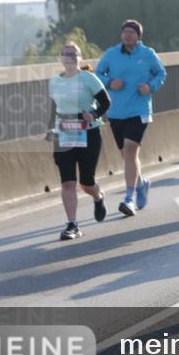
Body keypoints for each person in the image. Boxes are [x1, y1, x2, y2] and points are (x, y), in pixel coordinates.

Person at [95, 19, 166, 216]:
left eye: (132, 32)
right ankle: (141, 182)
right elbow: (98, 73)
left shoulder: (147, 54)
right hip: (116, 111)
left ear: (138, 36)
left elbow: (161, 73)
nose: (127, 35)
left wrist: (150, 87)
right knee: (126, 155)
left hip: (139, 110)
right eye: (124, 32)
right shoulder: (111, 54)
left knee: (130, 150)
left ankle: (129, 198)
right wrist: (109, 83)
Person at [48, 42, 110, 239]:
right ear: (61, 58)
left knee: (86, 182)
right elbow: (54, 107)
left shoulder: (88, 78)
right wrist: (51, 129)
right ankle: (72, 225)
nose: (70, 57)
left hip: (89, 132)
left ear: (80, 58)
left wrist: (94, 113)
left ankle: (98, 196)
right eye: (66, 54)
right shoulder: (54, 81)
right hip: (64, 132)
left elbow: (106, 102)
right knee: (68, 182)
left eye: (74, 54)